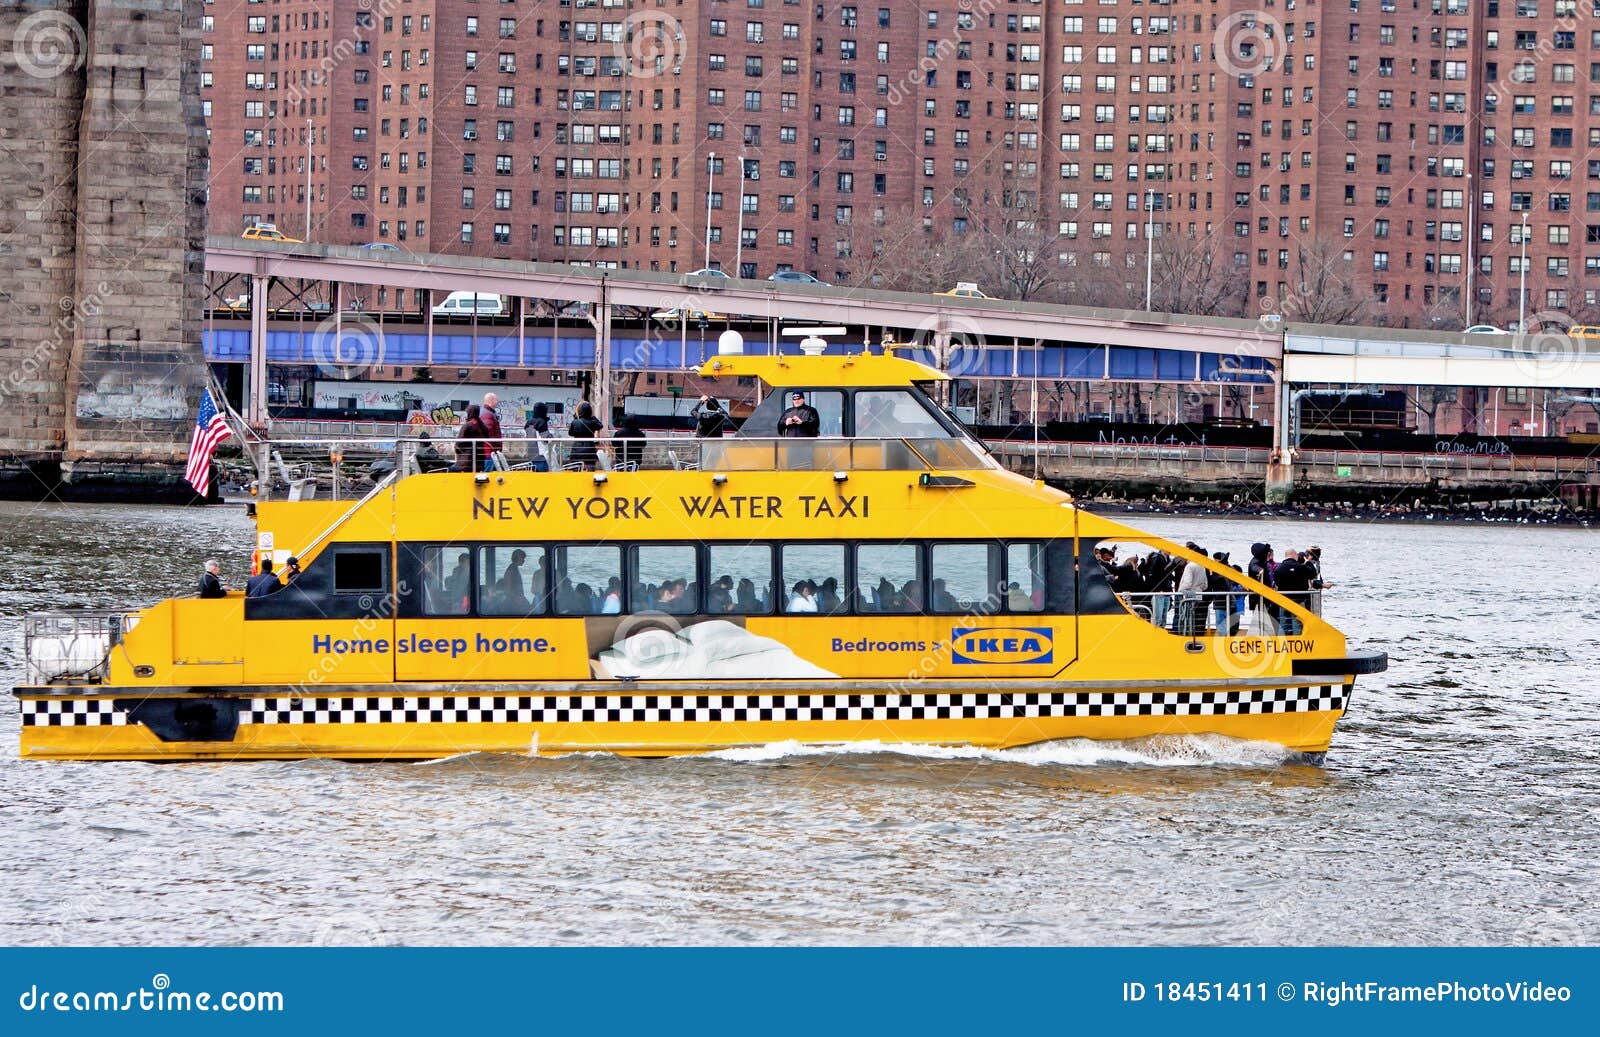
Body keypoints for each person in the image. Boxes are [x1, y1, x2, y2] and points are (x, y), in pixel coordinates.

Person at [1177, 545, 1209, 636]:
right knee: (1197, 619)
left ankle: (1187, 635)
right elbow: (1205, 585)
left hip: (1188, 597)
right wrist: (1198, 589)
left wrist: (1180, 591)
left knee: (1187, 618)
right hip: (1199, 595)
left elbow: (1187, 583)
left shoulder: (1189, 566)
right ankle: (1197, 636)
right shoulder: (1202, 566)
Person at [454, 404, 491, 472]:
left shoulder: (467, 425)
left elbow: (458, 443)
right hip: (480, 460)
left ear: (469, 413)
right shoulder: (482, 425)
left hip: (466, 461)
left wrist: (460, 453)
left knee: (450, 469)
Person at [568, 401, 603, 470]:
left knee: (576, 469)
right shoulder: (592, 422)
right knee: (590, 469)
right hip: (590, 448)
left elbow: (570, 433)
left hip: (577, 449)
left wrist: (576, 418)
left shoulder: (575, 422)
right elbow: (600, 426)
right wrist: (593, 417)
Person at [481, 392, 507, 472]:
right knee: (488, 476)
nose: (498, 402)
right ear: (491, 400)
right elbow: (488, 433)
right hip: (489, 453)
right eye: (496, 400)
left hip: (489, 451)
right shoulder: (488, 415)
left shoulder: (486, 412)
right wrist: (493, 448)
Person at [524, 402, 552, 472]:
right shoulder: (541, 422)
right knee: (544, 479)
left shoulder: (528, 422)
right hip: (541, 456)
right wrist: (552, 436)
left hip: (531, 455)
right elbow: (545, 440)